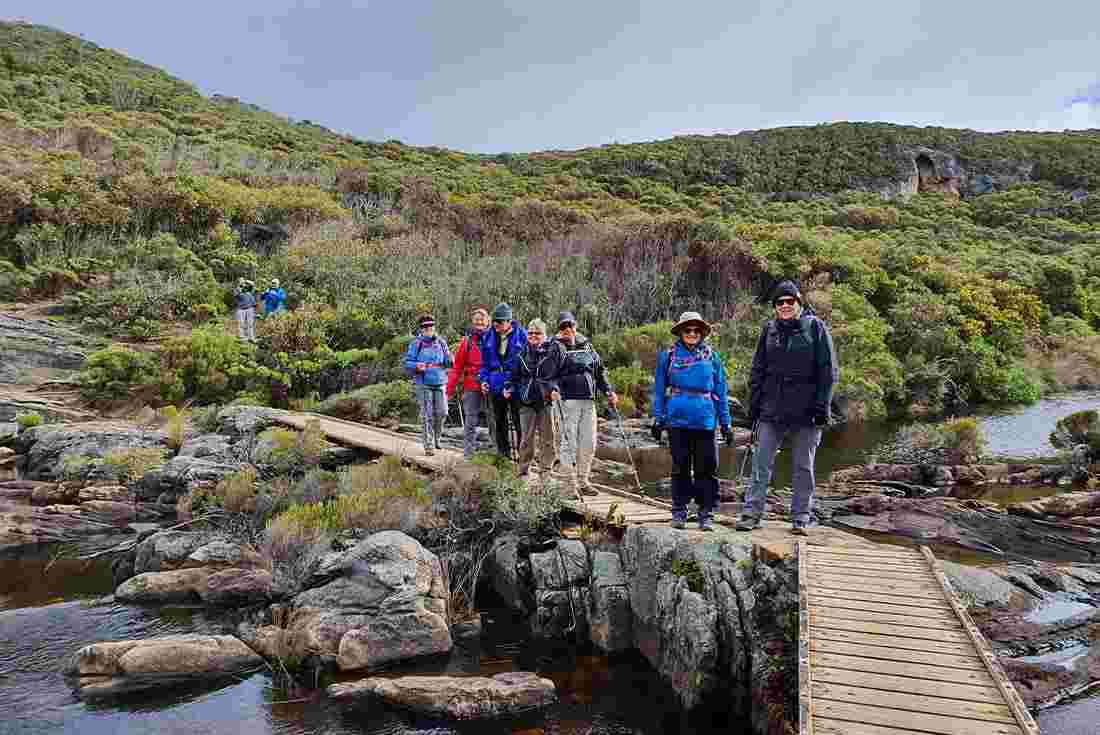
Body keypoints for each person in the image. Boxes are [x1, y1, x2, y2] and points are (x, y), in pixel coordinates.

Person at [737, 281, 838, 535]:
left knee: (803, 465)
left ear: (799, 304)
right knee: (761, 463)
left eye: (789, 301)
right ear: (774, 307)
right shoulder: (769, 330)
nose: (784, 306)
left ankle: (801, 517)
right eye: (779, 302)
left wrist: (822, 406)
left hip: (807, 411)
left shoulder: (815, 327)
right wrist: (754, 406)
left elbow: (828, 370)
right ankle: (751, 513)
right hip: (772, 409)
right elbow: (758, 369)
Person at [651, 311, 732, 531]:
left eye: (697, 330)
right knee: (680, 468)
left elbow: (721, 391)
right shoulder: (667, 356)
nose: (692, 333)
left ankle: (706, 513)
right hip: (677, 421)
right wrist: (658, 419)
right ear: (680, 332)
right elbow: (659, 391)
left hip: (706, 421)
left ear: (702, 333)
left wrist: (726, 424)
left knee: (707, 469)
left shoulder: (712, 357)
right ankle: (679, 511)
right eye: (688, 330)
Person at [553, 311, 617, 497]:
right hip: (566, 401)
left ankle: (583, 481)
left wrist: (608, 391)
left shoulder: (587, 345)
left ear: (576, 325)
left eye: (570, 325)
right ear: (559, 329)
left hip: (588, 400)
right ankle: (568, 486)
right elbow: (549, 374)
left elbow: (600, 370)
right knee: (569, 443)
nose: (567, 330)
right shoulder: (555, 347)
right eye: (563, 326)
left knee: (588, 442)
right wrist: (554, 389)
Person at [505, 319, 564, 477]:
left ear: (545, 335)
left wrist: (555, 389)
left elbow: (557, 376)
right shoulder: (521, 354)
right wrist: (509, 387)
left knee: (548, 438)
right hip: (526, 401)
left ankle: (546, 471)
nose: (533, 336)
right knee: (526, 439)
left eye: (537, 333)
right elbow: (514, 376)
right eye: (530, 333)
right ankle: (524, 470)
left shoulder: (553, 352)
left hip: (546, 401)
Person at [479, 303, 527, 459]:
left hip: (516, 385)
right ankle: (503, 455)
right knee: (499, 421)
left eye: (499, 322)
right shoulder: (489, 336)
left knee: (519, 422)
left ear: (508, 321)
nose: (496, 325)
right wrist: (484, 380)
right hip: (495, 384)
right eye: (494, 321)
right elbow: (484, 364)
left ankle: (522, 456)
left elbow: (526, 363)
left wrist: (514, 384)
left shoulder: (522, 336)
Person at [404, 314, 453, 456]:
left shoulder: (441, 342)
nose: (428, 329)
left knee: (443, 412)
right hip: (423, 382)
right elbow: (408, 362)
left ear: (434, 327)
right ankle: (429, 445)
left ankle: (437, 438)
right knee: (427, 414)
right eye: (425, 327)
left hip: (440, 381)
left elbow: (447, 361)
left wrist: (451, 360)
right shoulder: (416, 343)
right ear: (421, 329)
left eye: (430, 326)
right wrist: (417, 366)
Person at [447, 307, 491, 460]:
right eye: (476, 320)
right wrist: (449, 389)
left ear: (487, 322)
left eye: (482, 320)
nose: (479, 322)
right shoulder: (467, 342)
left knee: (494, 419)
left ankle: (495, 454)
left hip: (490, 384)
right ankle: (468, 455)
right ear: (473, 323)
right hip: (471, 385)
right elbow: (457, 367)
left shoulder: (494, 339)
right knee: (471, 421)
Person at [234, 278, 257, 342]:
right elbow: (237, 295)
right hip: (241, 309)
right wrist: (241, 289)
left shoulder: (248, 287)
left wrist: (248, 282)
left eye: (243, 281)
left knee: (250, 324)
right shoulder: (237, 289)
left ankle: (251, 337)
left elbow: (253, 286)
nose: (242, 282)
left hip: (250, 308)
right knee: (241, 323)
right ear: (238, 282)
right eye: (241, 281)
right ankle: (242, 337)